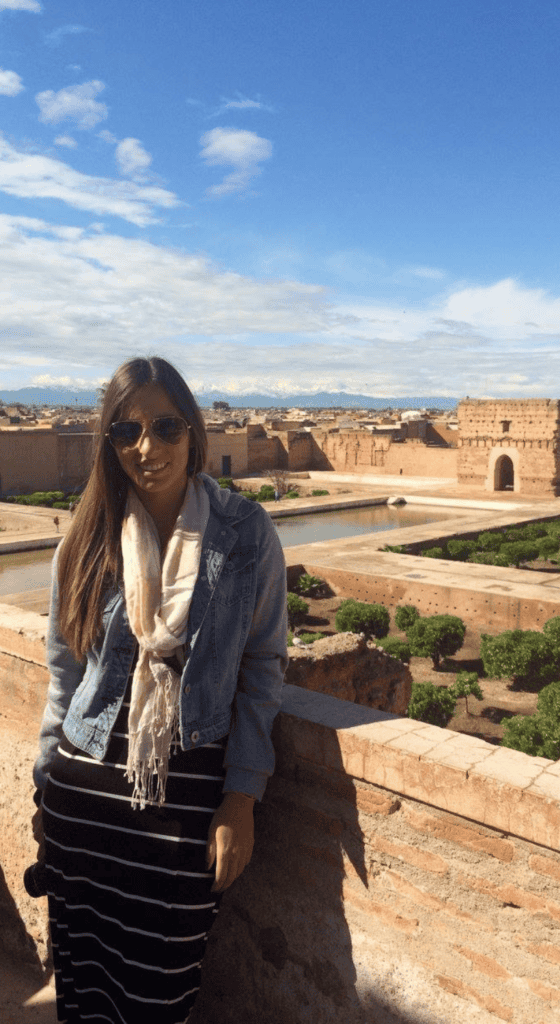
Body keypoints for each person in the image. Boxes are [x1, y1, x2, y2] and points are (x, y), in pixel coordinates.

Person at [31, 356, 288, 1024]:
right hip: (80, 807)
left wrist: (241, 799)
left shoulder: (243, 532)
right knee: (83, 995)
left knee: (155, 999)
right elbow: (65, 677)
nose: (148, 448)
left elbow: (263, 666)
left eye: (165, 427)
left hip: (184, 805)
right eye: (127, 432)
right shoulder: (84, 540)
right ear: (109, 444)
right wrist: (42, 791)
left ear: (193, 431)